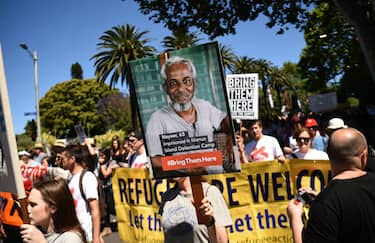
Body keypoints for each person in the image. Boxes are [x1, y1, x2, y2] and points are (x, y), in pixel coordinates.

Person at [145, 56, 234, 176]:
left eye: (187, 81)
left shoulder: (204, 106)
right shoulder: (157, 118)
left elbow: (226, 121)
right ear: (165, 88)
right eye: (173, 83)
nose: (181, 89)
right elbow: (154, 160)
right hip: (186, 183)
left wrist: (231, 138)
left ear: (194, 83)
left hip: (217, 178)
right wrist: (186, 166)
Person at [287, 128, 375, 243]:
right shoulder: (325, 202)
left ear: (329, 157)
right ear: (364, 156)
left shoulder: (325, 203)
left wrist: (295, 218)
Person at [159, 176, 232, 243]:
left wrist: (210, 221)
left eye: (176, 161)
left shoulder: (210, 192)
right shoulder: (167, 196)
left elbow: (222, 241)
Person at [20, 179, 87, 243]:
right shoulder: (33, 235)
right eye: (27, 204)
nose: (27, 209)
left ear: (53, 208)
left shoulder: (71, 238)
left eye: (33, 205)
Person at [61, 145, 102, 243]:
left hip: (88, 235)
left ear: (72, 159)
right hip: (76, 235)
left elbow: (95, 209)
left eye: (63, 158)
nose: (62, 161)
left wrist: (96, 238)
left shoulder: (86, 177)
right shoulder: (71, 180)